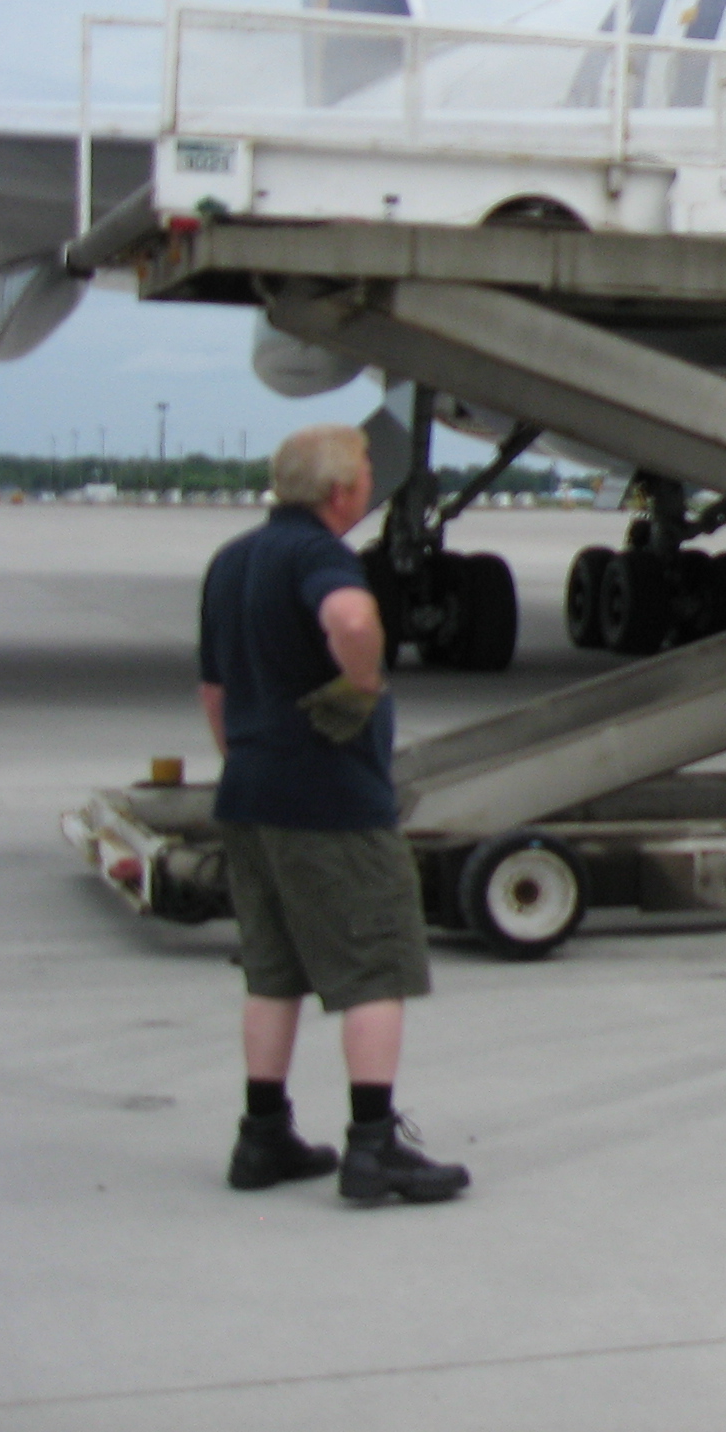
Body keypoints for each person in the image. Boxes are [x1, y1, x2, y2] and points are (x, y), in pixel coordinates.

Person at [201, 423, 468, 1203]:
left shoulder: (232, 560)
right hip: (330, 802)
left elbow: (213, 694)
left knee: (271, 971)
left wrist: (253, 755)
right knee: (374, 969)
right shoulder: (319, 555)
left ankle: (263, 1136)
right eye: (361, 474)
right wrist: (360, 687)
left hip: (249, 795)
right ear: (341, 492)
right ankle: (374, 1146)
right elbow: (351, 620)